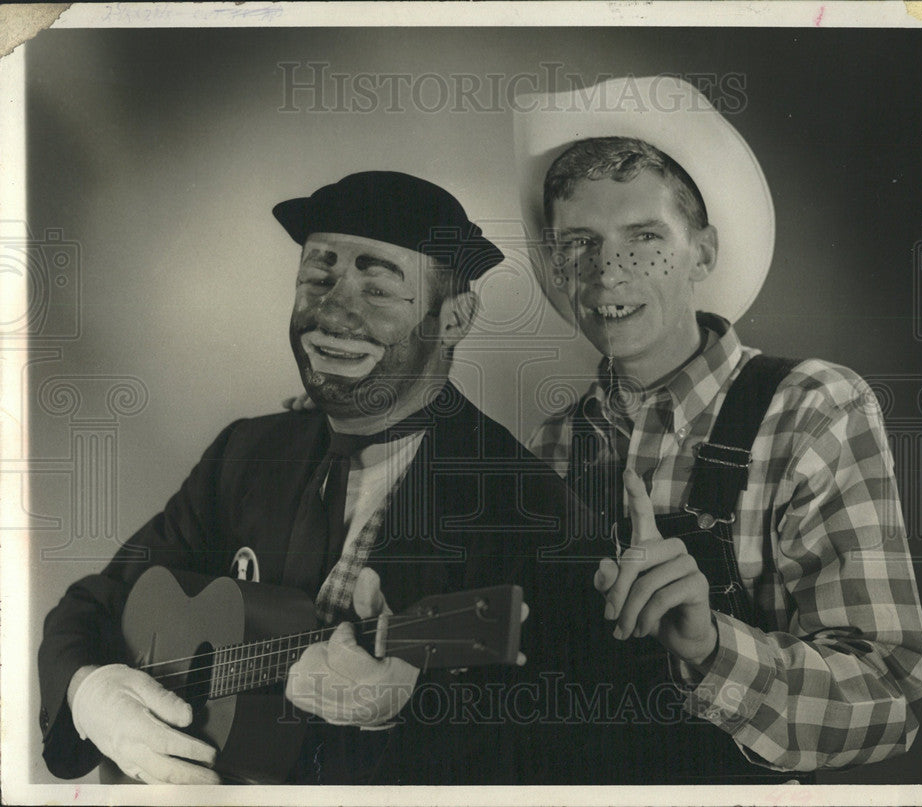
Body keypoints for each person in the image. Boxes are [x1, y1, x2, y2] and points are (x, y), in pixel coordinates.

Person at [36, 171, 595, 786]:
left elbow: (572, 744)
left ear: (456, 318)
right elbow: (97, 602)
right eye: (317, 278)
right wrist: (91, 693)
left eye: (378, 289)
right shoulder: (245, 453)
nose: (332, 311)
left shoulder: (532, 506)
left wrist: (408, 711)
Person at [512, 76, 922, 779]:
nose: (607, 272)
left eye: (643, 238)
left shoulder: (814, 407)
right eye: (579, 242)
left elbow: (887, 695)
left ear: (702, 253)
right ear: (557, 267)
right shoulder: (550, 445)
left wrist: (712, 649)